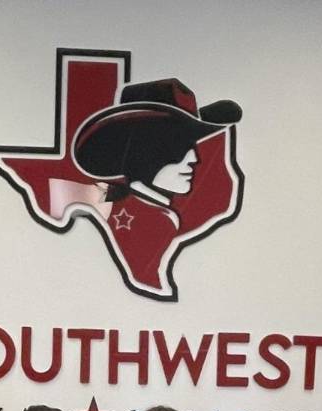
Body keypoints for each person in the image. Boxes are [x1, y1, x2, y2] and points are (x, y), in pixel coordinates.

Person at [72, 78, 242, 296]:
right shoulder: (120, 218)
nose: (194, 158)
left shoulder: (160, 217)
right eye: (178, 146)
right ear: (144, 152)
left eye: (192, 145)